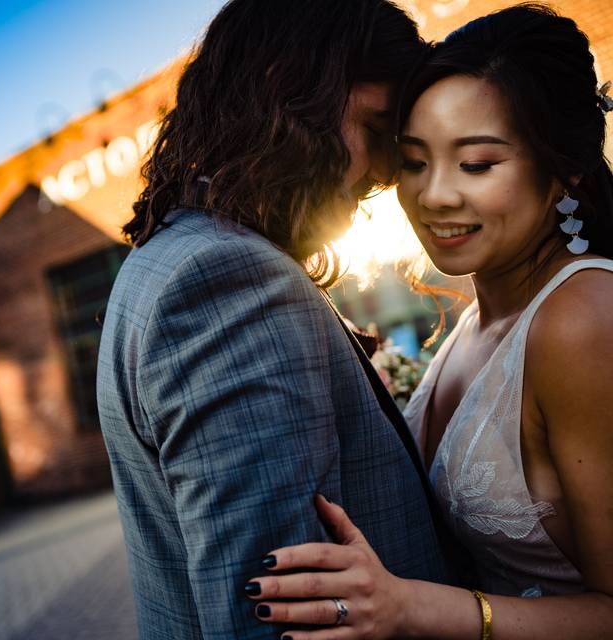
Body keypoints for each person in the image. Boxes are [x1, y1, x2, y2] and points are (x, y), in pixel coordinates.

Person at [245, 4, 613, 638]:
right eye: (413, 161)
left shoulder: (583, 319)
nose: (435, 194)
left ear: (563, 170)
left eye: (476, 164)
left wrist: (407, 607)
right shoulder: (476, 321)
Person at [96, 1, 453, 638]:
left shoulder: (171, 256)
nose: (381, 173)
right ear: (285, 91)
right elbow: (271, 620)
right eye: (375, 130)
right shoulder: (226, 281)